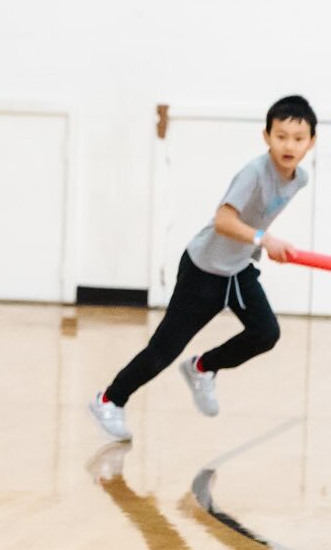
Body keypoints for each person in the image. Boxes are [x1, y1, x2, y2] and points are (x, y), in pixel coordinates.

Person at [89, 94, 317, 443]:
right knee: (164, 349)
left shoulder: (299, 179)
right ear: (266, 136)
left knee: (266, 333)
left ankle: (203, 367)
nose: (289, 145)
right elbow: (223, 220)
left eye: (298, 138)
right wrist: (263, 239)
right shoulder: (254, 173)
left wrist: (261, 244)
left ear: (311, 142)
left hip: (238, 269)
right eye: (281, 136)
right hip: (204, 268)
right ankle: (108, 400)